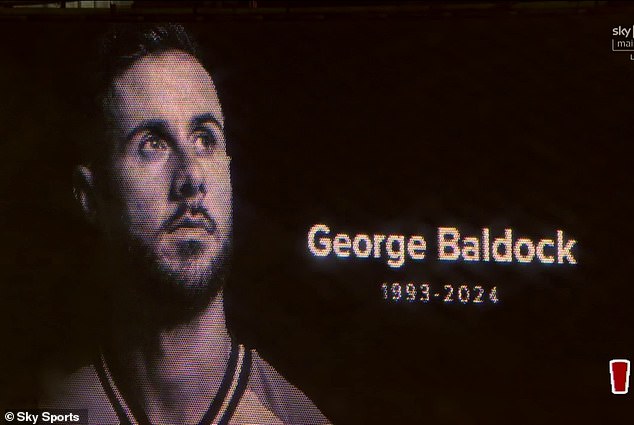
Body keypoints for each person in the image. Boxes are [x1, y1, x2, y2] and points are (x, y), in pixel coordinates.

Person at [40, 23, 329, 425]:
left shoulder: (295, 419)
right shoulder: (42, 411)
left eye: (205, 139)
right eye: (153, 143)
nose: (191, 177)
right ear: (91, 196)